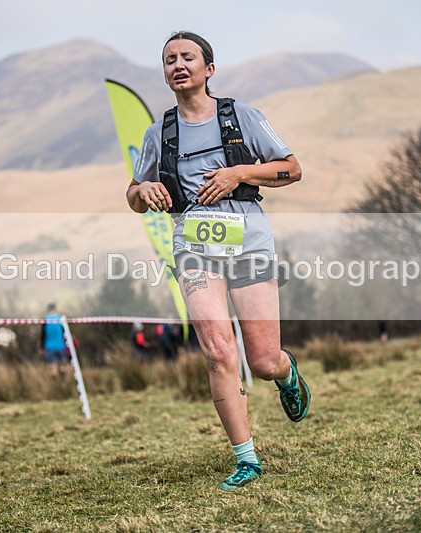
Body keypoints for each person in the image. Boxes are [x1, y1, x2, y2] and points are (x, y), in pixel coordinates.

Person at [126, 31, 311, 490]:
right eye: (169, 59)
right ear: (165, 73)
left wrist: (239, 173)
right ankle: (246, 458)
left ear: (209, 69)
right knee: (216, 348)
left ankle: (285, 374)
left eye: (188, 57)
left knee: (262, 360)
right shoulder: (158, 134)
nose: (178, 64)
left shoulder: (241, 116)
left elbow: (292, 168)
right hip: (194, 249)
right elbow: (132, 193)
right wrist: (141, 191)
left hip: (248, 241)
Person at [41, 303, 67, 378]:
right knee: (63, 366)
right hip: (61, 345)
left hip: (49, 346)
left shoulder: (45, 319)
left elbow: (43, 335)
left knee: (53, 368)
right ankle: (63, 382)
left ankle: (56, 383)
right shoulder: (60, 319)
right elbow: (64, 333)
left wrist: (41, 348)